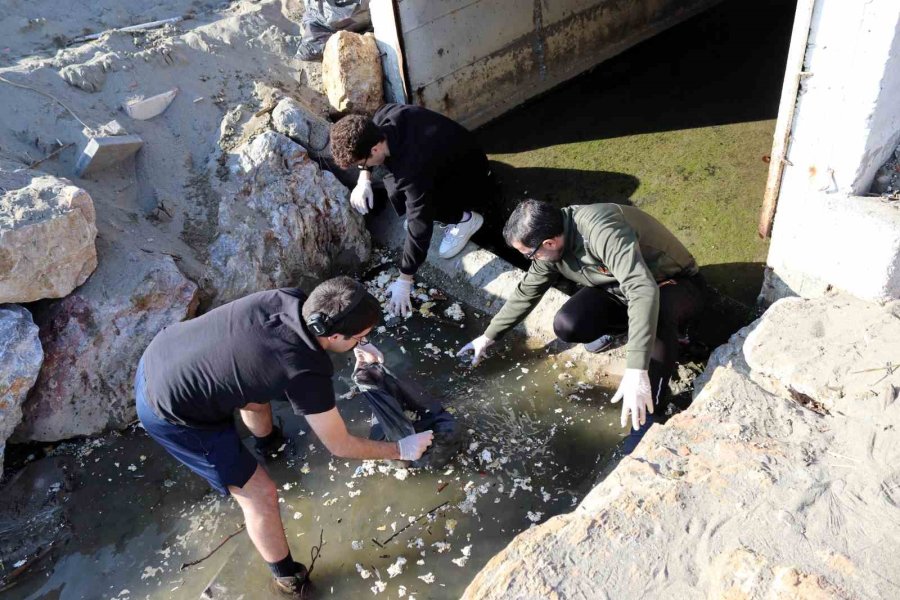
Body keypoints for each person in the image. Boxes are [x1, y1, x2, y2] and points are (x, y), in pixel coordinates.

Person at [135, 277, 433, 597]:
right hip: (170, 412)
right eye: (361, 335)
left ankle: (269, 446)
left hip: (165, 353)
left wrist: (357, 345)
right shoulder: (305, 372)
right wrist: (401, 448)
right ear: (333, 334)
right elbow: (340, 445)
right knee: (260, 494)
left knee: (255, 389)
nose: (365, 339)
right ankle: (288, 579)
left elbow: (269, 361)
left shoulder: (291, 299)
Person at [457, 200, 706, 451]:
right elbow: (527, 291)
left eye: (528, 254)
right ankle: (626, 328)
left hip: (672, 284)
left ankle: (650, 414)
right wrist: (488, 336)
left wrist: (635, 368)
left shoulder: (601, 231)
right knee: (568, 325)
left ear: (549, 244)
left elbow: (642, 290)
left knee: (656, 322)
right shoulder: (551, 244)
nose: (530, 259)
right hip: (617, 289)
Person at [330, 104, 493, 316]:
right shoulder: (381, 118)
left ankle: (464, 219)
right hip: (452, 151)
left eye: (361, 162)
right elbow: (371, 154)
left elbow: (419, 225)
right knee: (397, 187)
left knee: (419, 205)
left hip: (471, 176)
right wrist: (364, 178)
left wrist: (404, 278)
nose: (362, 166)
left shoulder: (413, 169)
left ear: (375, 149)